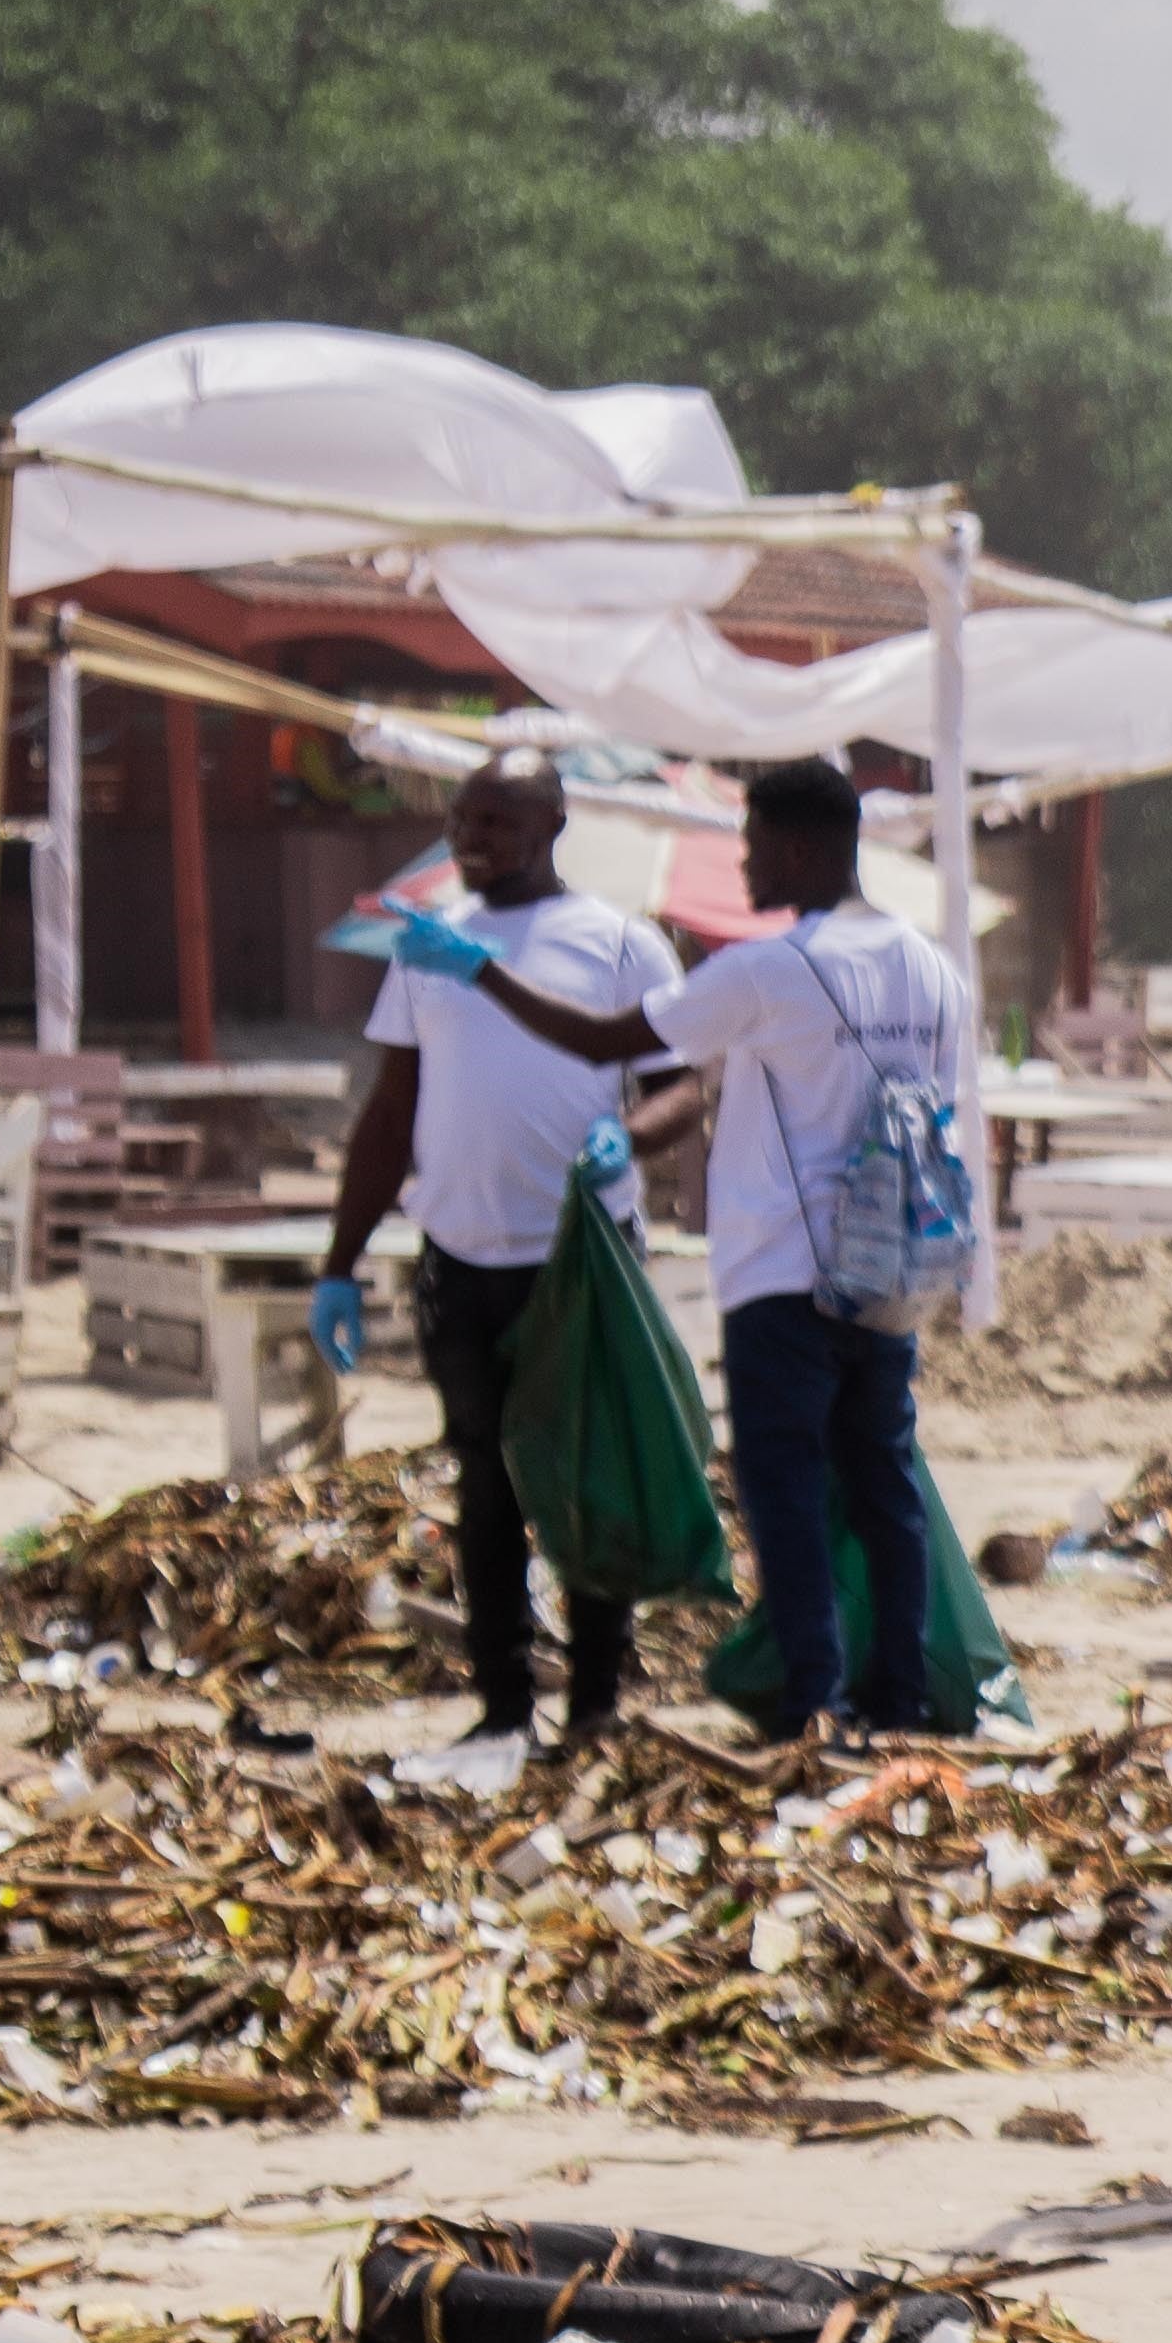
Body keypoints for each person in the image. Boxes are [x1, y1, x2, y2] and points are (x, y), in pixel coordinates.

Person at [385, 755, 975, 1737]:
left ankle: (810, 1704)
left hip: (784, 1275)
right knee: (883, 1484)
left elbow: (601, 1043)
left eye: (747, 845)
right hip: (891, 1272)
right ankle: (898, 1696)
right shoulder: (934, 971)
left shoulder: (768, 968)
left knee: (781, 1492)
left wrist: (480, 969)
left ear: (792, 846)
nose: (741, 867)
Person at [316, 753, 688, 1757]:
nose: (470, 837)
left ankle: (598, 1699)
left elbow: (682, 1085)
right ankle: (503, 1705)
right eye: (461, 818)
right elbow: (391, 1109)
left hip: (580, 1259)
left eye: (495, 819)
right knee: (485, 1481)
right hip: (460, 1256)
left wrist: (633, 1136)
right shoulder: (430, 948)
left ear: (553, 823)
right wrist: (339, 1260)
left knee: (585, 1474)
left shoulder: (621, 943)